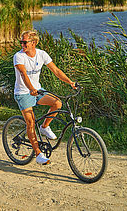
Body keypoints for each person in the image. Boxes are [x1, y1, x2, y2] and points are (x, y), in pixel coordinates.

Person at [13, 30, 76, 165]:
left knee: (57, 103)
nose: (22, 45)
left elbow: (56, 71)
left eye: (25, 42)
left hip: (37, 90)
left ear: (33, 43)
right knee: (30, 122)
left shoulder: (42, 54)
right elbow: (23, 75)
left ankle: (44, 127)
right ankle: (38, 154)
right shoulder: (18, 56)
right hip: (23, 92)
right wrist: (31, 90)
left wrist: (70, 82)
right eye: (21, 42)